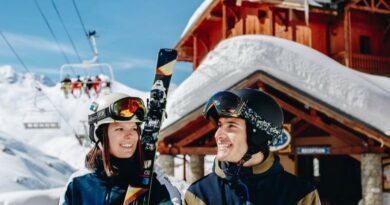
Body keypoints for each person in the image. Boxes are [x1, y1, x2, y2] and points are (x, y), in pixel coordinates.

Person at [184, 88, 321, 205]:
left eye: (231, 126)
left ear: (258, 135)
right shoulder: (199, 195)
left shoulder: (301, 195)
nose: (218, 135)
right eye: (220, 126)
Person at [60, 93, 180, 205]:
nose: (130, 135)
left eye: (134, 128)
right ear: (99, 136)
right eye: (119, 129)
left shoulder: (155, 183)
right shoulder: (78, 184)